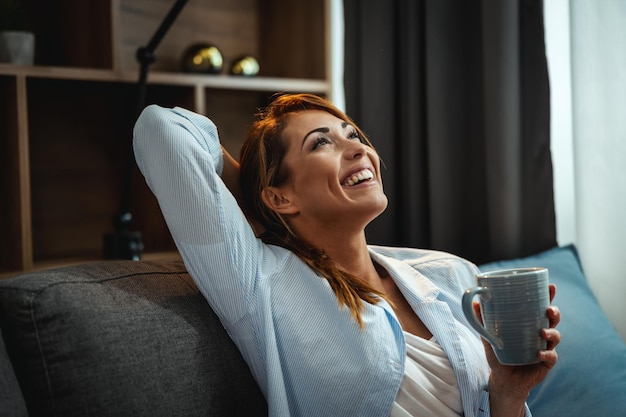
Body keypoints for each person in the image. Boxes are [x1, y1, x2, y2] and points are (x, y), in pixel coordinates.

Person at [133, 93, 560, 417]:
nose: (359, 150)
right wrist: (260, 205)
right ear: (279, 196)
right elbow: (162, 130)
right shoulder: (260, 284)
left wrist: (507, 393)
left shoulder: (450, 274)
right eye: (322, 144)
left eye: (354, 136)